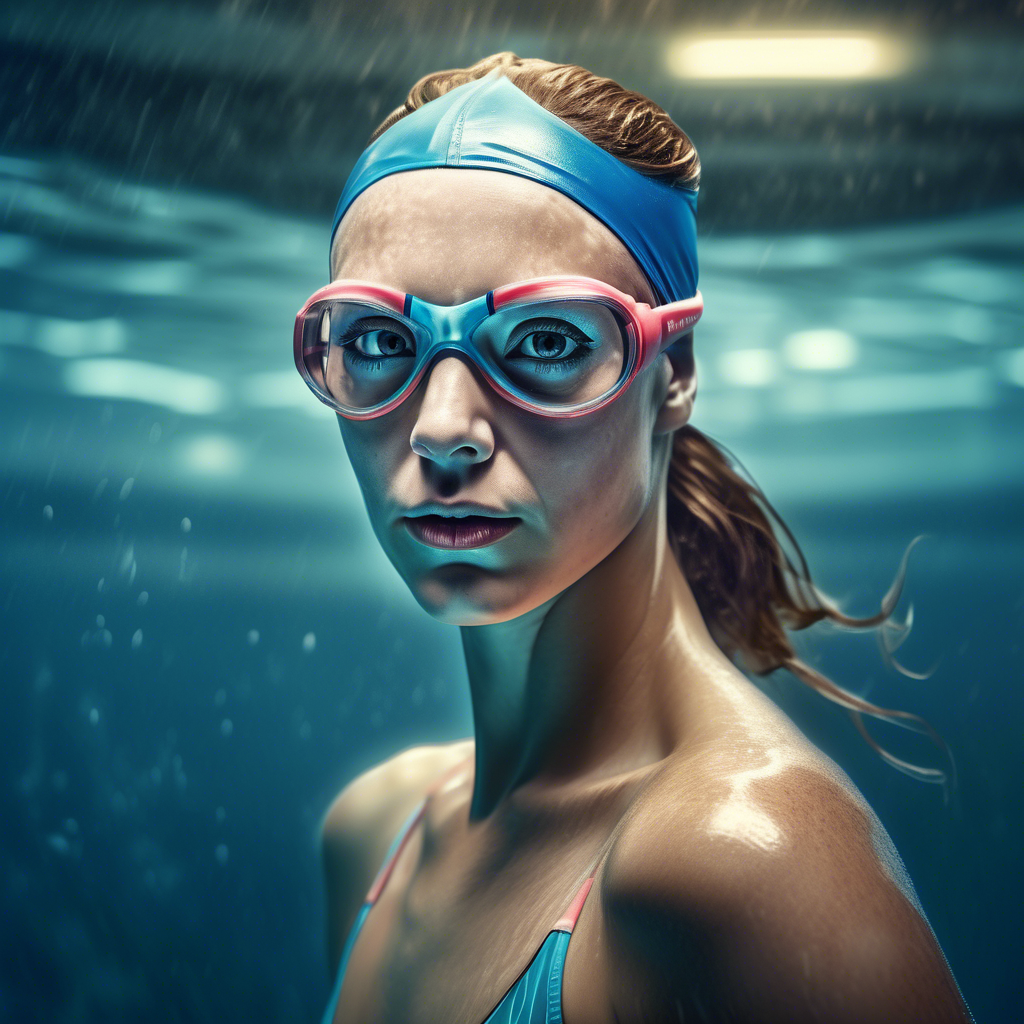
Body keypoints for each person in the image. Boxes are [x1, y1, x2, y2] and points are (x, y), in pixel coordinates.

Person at [296, 53, 973, 1023]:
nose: (443, 427)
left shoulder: (747, 858)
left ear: (675, 372)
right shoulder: (371, 832)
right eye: (373, 340)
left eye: (543, 340)